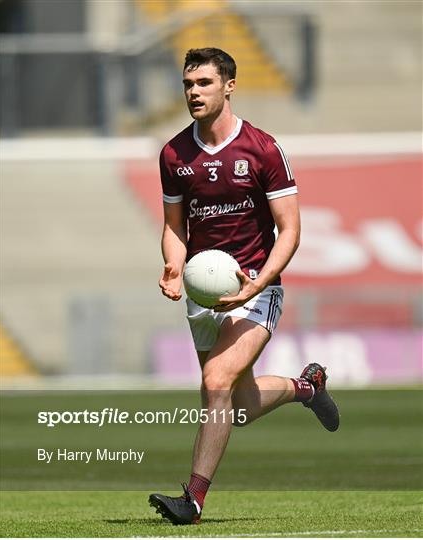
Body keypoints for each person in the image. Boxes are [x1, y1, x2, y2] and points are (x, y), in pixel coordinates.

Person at [149, 47, 339, 525]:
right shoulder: (174, 153)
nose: (193, 92)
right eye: (188, 84)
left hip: (256, 288)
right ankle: (306, 386)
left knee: (215, 384)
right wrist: (173, 265)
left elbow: (290, 229)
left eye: (204, 84)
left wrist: (260, 284)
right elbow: (175, 227)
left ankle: (191, 500)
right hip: (203, 295)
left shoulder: (262, 149)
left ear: (229, 86)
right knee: (237, 407)